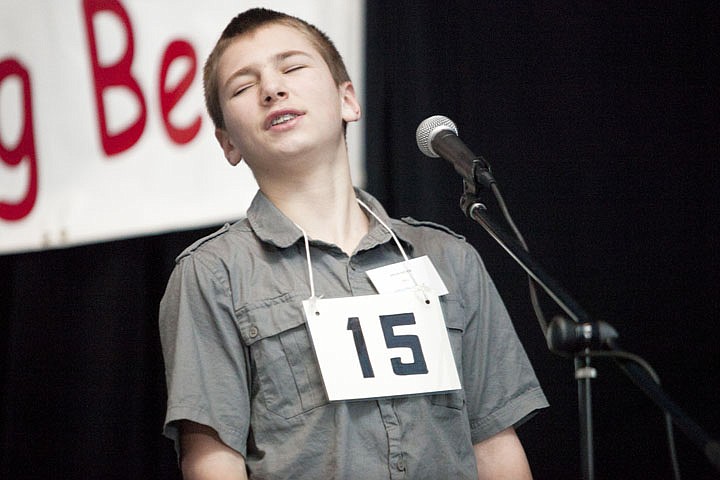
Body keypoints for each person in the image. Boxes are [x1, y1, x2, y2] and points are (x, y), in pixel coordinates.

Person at [159, 7, 548, 480]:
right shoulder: (213, 274)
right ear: (227, 144)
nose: (272, 89)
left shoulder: (448, 257)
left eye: (293, 67)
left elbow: (493, 443)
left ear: (348, 100)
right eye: (243, 87)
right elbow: (213, 460)